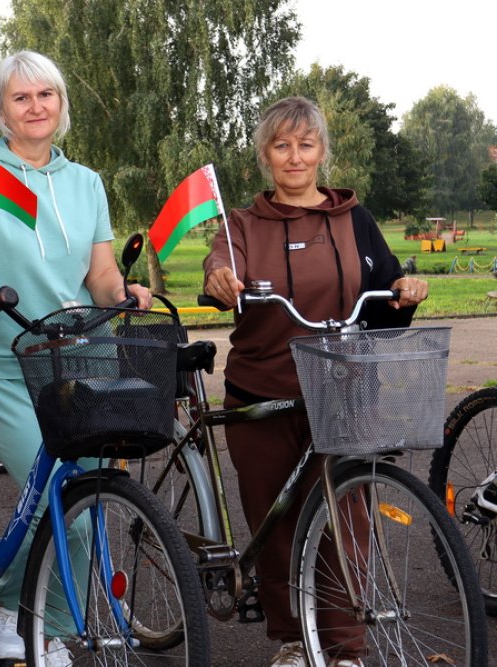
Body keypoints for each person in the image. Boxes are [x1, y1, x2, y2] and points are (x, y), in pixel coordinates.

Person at [0, 50, 151, 664]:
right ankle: (27, 622)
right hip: (7, 358)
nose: (35, 106)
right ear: (2, 109)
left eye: (45, 94)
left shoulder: (85, 182)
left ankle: (27, 609)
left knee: (88, 498)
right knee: (58, 500)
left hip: (82, 354)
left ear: (61, 103)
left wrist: (122, 293)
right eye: (20, 97)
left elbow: (99, 273)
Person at [202, 96, 428, 667]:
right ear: (265, 155)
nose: (295, 156)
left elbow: (384, 298)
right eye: (282, 145)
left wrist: (406, 292)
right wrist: (221, 278)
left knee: (345, 523)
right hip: (262, 395)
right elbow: (219, 266)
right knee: (275, 526)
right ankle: (293, 642)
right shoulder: (241, 224)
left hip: (344, 391)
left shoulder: (355, 220)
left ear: (322, 151)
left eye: (305, 144)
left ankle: (346, 650)